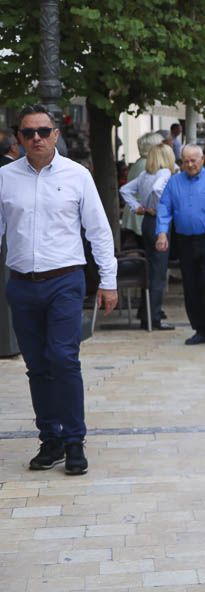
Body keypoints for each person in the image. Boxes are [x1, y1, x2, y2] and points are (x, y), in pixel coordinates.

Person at [0, 104, 118, 475]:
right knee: (37, 365)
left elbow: (98, 231)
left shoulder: (76, 175)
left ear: (56, 134)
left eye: (43, 131)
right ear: (18, 138)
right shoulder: (5, 177)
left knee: (63, 359)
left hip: (65, 280)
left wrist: (108, 280)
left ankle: (74, 441)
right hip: (21, 283)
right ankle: (49, 438)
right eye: (28, 132)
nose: (36, 137)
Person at [155, 144, 205, 346]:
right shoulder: (174, 183)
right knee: (190, 286)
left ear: (202, 160)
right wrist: (162, 232)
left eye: (194, 160)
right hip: (184, 240)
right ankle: (200, 329)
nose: (190, 164)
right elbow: (164, 208)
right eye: (186, 161)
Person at [119, 143, 177, 331]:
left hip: (147, 222)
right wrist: (166, 206)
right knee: (159, 273)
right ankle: (154, 317)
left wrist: (138, 207)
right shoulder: (165, 174)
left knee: (151, 271)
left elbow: (124, 190)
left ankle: (147, 314)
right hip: (160, 223)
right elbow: (159, 189)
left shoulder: (145, 175)